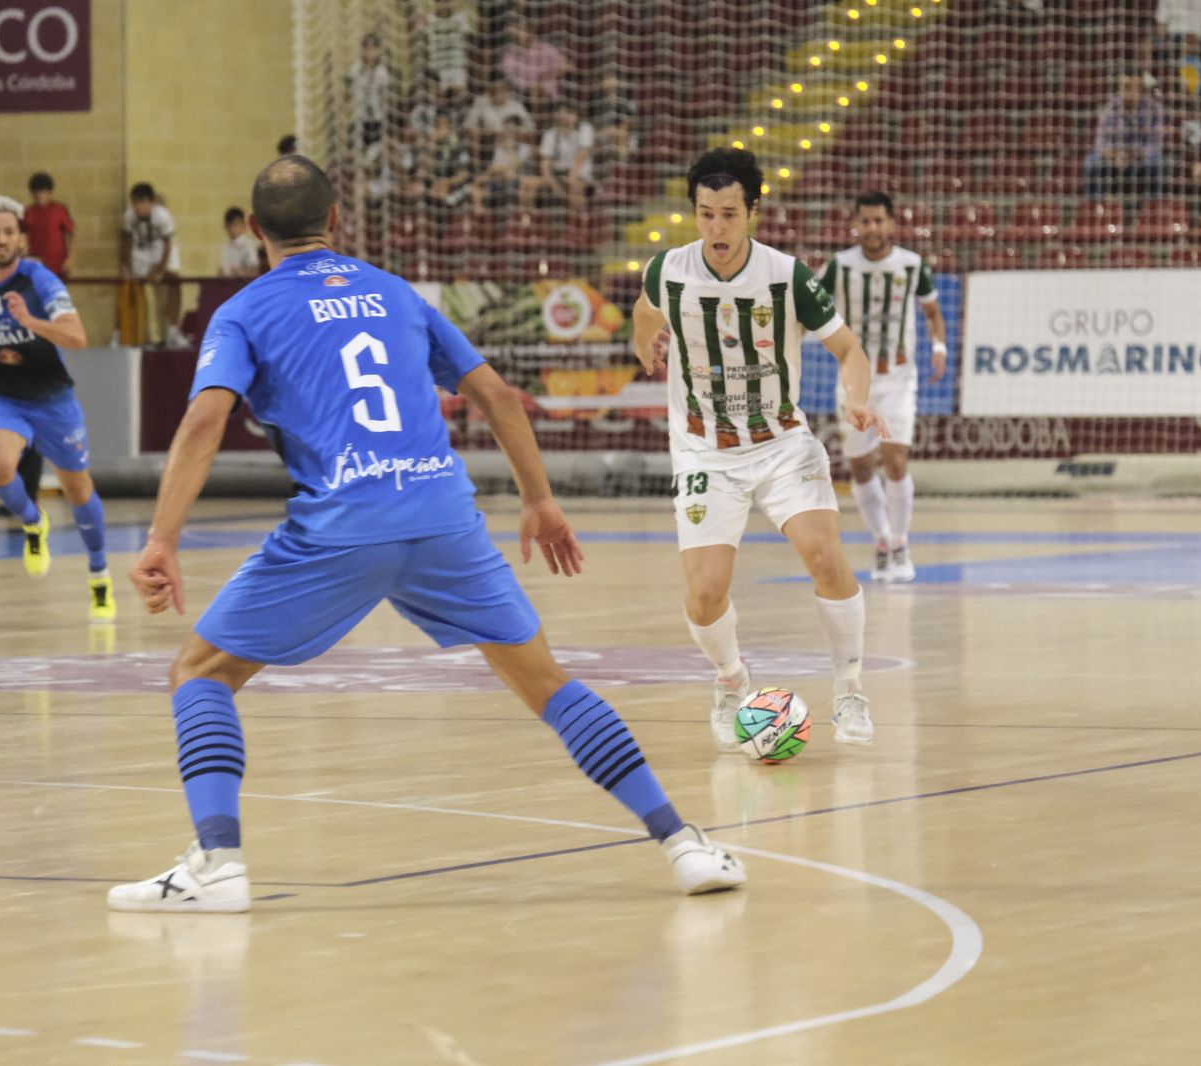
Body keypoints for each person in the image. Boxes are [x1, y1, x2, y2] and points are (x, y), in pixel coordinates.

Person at [109, 155, 744, 911]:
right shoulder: (393, 291)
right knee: (548, 683)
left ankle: (218, 864)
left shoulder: (244, 311)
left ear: (253, 231)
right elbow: (496, 395)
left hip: (342, 524)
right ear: (336, 219)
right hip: (444, 517)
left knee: (200, 673)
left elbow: (204, 421)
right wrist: (538, 500)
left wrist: (162, 539)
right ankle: (683, 845)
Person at [631, 147, 886, 751]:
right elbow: (644, 311)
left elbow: (850, 350)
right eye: (705, 214)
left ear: (752, 213)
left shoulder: (787, 275)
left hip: (781, 444)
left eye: (728, 214)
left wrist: (855, 398)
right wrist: (646, 345)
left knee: (824, 556)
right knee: (704, 592)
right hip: (704, 450)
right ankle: (731, 681)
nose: (716, 227)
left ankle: (850, 689)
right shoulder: (667, 270)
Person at [0, 196, 116, 622]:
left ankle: (99, 573)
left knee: (79, 491)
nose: (2, 240)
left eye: (9, 232)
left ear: (21, 238)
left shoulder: (39, 280)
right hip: (1, 396)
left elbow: (77, 337)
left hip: (52, 400)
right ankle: (32, 521)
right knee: (0, 468)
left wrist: (31, 323)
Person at [820, 192, 948, 583]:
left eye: (879, 221)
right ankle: (880, 541)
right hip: (853, 379)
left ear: (891, 224)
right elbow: (811, 307)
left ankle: (900, 544)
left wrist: (939, 347)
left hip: (898, 377)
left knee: (896, 460)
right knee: (860, 466)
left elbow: (932, 312)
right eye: (866, 221)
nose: (872, 228)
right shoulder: (839, 266)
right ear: (856, 225)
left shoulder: (912, 265)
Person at [122, 182, 187, 347]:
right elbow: (127, 241)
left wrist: (160, 269)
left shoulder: (162, 215)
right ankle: (143, 336)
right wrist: (129, 267)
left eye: (142, 203)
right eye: (135, 203)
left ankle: (172, 330)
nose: (138, 207)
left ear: (151, 203)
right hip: (141, 252)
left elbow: (167, 244)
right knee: (137, 290)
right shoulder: (129, 216)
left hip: (160, 250)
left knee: (174, 282)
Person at [1084, 73, 1165, 201]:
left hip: (1141, 160)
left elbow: (1155, 145)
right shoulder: (1110, 107)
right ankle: (1095, 207)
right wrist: (1116, 155)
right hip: (1115, 160)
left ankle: (1153, 206)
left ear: (1140, 89)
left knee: (1157, 162)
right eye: (1124, 87)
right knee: (1091, 161)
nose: (1127, 92)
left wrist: (1133, 155)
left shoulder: (1154, 109)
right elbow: (1100, 143)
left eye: (1131, 87)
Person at [520, 100, 594, 210]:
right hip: (556, 175)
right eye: (562, 113)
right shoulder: (551, 133)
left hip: (579, 174)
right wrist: (552, 183)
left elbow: (582, 155)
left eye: (569, 113)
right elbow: (545, 163)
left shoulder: (585, 128)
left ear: (575, 115)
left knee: (575, 186)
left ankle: (579, 218)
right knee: (527, 184)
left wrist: (571, 177)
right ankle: (527, 218)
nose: (565, 117)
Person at [463, 71, 532, 160]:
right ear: (488, 90)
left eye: (501, 88)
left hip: (512, 143)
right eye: (494, 89)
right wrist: (486, 132)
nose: (497, 92)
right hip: (489, 144)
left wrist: (512, 133)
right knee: (474, 132)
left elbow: (530, 128)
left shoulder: (516, 105)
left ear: (506, 88)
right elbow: (468, 126)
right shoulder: (480, 102)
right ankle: (477, 166)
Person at [501, 19, 570, 105]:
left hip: (551, 99)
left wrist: (549, 75)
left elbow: (567, 65)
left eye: (519, 29)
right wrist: (536, 88)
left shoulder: (543, 48)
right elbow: (521, 87)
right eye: (512, 33)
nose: (516, 34)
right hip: (525, 101)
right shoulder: (508, 59)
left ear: (528, 31)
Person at [23, 171, 75, 278]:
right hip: (36, 266)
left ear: (49, 192)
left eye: (42, 192)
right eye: (36, 192)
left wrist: (70, 259)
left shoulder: (59, 210)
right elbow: (21, 236)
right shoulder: (28, 212)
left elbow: (72, 234)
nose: (39, 195)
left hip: (57, 266)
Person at [218, 207, 259, 278]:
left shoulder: (249, 245)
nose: (232, 228)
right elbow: (221, 270)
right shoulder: (226, 246)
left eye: (236, 224)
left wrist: (242, 273)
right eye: (230, 225)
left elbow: (255, 270)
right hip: (227, 282)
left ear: (243, 225)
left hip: (243, 282)